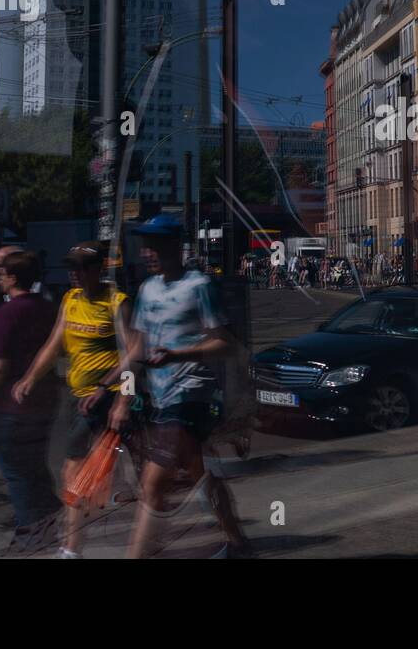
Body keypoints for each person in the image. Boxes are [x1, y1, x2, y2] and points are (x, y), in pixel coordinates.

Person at [118, 215, 252, 559]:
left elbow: (225, 344)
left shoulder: (199, 286)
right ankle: (237, 541)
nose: (147, 252)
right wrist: (117, 392)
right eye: (144, 245)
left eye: (155, 245)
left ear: (174, 246)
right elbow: (138, 348)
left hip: (191, 395)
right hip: (162, 400)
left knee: (152, 484)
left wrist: (178, 354)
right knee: (199, 475)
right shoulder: (147, 289)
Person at [13, 241, 131, 559]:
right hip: (78, 398)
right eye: (71, 268)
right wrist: (30, 378)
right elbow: (54, 344)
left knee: (73, 473)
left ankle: (71, 548)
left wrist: (113, 394)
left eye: (80, 268)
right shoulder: (71, 299)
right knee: (98, 473)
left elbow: (133, 353)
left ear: (97, 269)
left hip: (107, 398)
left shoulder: (116, 302)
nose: (74, 274)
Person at [0, 251, 61, 555]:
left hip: (12, 407)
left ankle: (30, 538)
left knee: (17, 475)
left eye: (2, 273)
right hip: (44, 401)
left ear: (13, 278)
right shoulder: (48, 308)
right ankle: (52, 525)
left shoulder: (9, 312)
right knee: (34, 467)